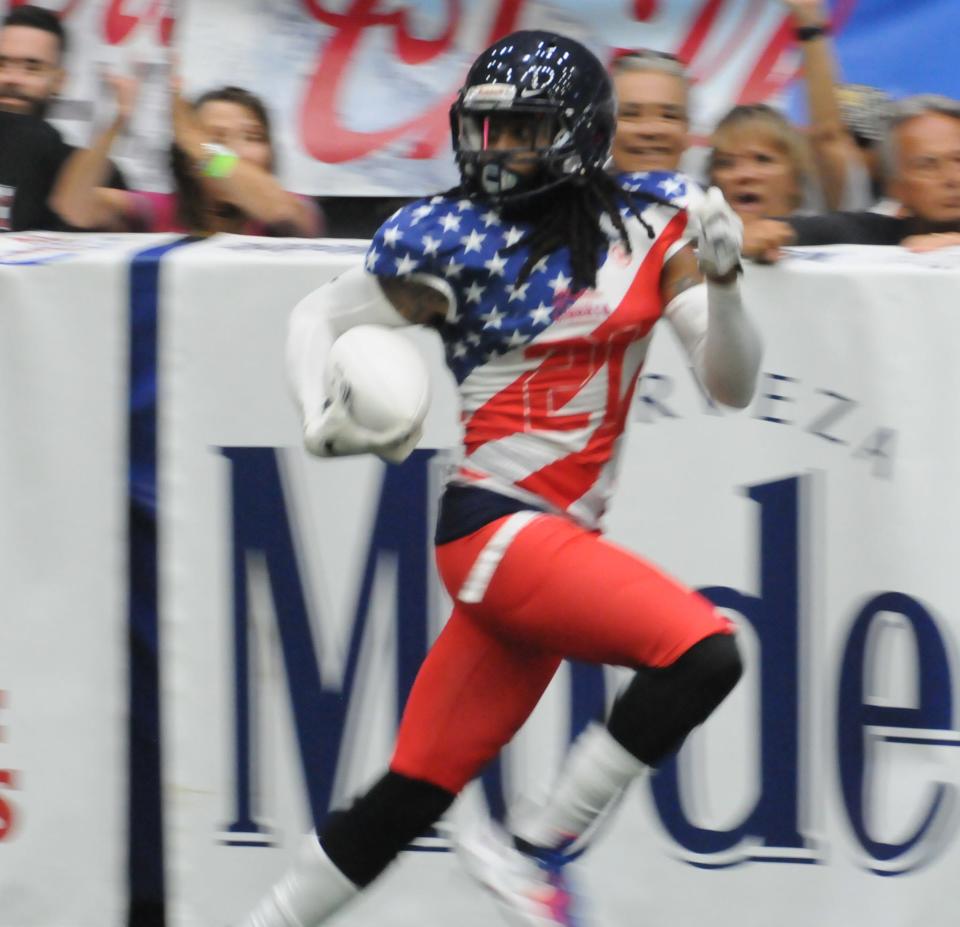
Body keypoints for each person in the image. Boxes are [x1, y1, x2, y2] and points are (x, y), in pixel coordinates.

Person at [241, 30, 762, 927]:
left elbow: (730, 384)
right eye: (484, 129)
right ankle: (535, 850)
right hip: (497, 529)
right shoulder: (454, 235)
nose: (494, 151)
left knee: (406, 796)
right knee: (704, 650)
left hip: (542, 542)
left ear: (578, 134)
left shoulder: (652, 219)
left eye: (520, 130)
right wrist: (315, 409)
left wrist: (726, 282)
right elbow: (316, 313)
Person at [51, 74, 321, 236]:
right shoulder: (159, 210)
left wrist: (196, 141)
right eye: (216, 139)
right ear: (189, 162)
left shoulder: (294, 208)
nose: (236, 152)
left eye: (253, 137)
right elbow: (74, 207)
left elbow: (277, 208)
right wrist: (118, 121)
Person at [742, 95, 960, 261]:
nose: (953, 179)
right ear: (895, 187)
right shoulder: (866, 233)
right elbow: (759, 233)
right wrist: (753, 237)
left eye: (958, 160)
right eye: (927, 165)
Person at [0, 5, 126, 200]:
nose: (12, 78)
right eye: (2, 64)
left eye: (32, 68)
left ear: (60, 81)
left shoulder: (96, 177)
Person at [708, 103, 820, 221]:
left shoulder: (828, 235)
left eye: (762, 159)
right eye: (726, 163)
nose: (744, 174)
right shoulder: (693, 235)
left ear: (795, 180)